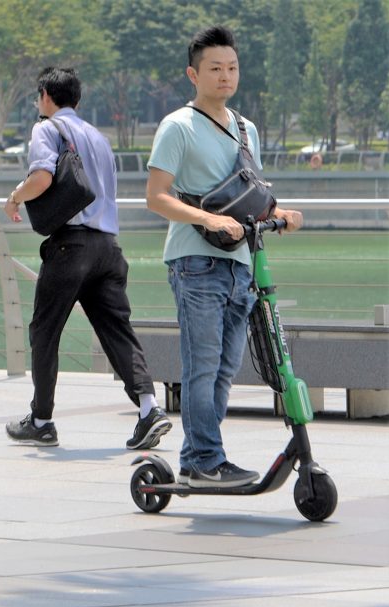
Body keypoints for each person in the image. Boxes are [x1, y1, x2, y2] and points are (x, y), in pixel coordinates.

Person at [146, 26, 303, 487]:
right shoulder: (178, 126)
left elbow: (250, 196)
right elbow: (156, 197)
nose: (225, 76)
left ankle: (200, 457)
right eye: (215, 68)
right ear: (193, 74)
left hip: (241, 264)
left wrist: (280, 213)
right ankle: (204, 460)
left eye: (232, 67)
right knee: (203, 365)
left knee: (224, 369)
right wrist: (209, 220)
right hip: (195, 262)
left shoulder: (245, 128)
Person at [4, 66, 171, 450]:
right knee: (117, 330)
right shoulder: (98, 138)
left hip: (71, 247)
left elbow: (42, 178)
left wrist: (14, 197)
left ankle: (41, 421)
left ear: (45, 96)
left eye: (38, 97)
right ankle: (149, 408)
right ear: (77, 100)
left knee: (45, 331)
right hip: (108, 248)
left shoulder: (46, 129)